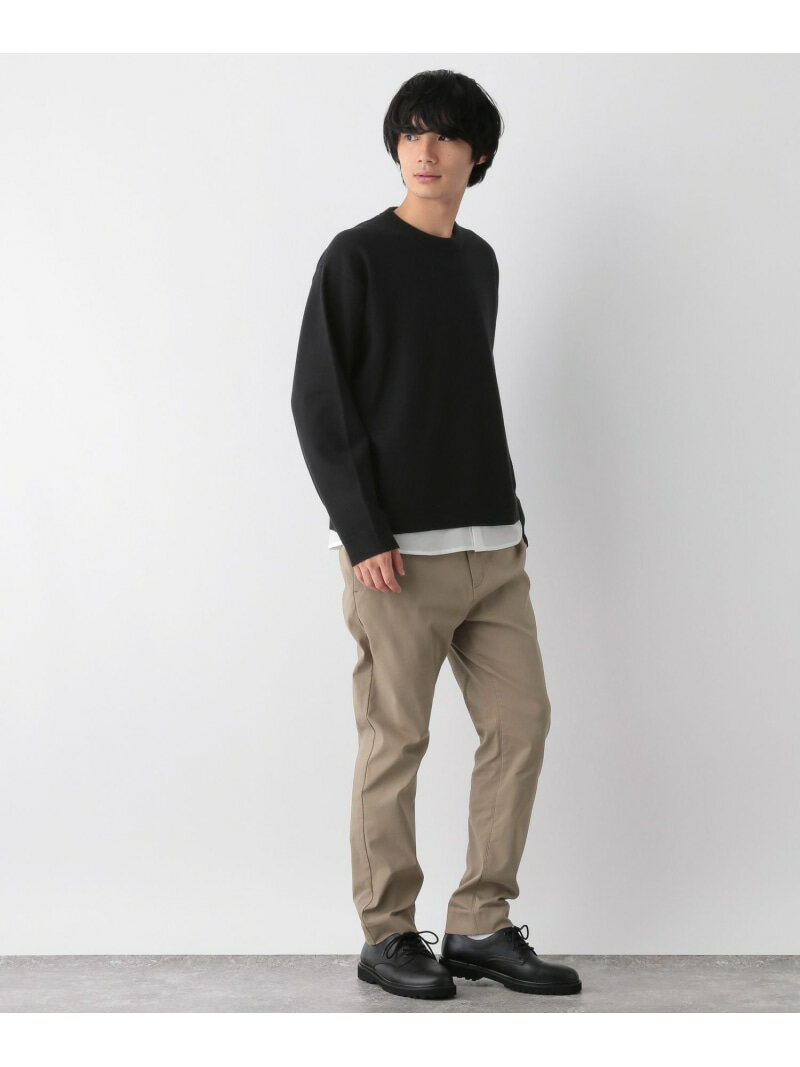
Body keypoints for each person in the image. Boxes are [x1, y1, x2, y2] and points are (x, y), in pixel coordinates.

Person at [291, 69, 581, 1002]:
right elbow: (320, 401)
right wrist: (362, 528)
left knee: (521, 723)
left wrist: (511, 524)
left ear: (476, 154)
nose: (425, 150)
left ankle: (480, 923)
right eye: (412, 132)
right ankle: (387, 934)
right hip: (395, 556)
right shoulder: (356, 256)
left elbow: (455, 395)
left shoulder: (479, 260)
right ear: (396, 146)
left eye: (445, 135)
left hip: (493, 545)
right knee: (397, 740)